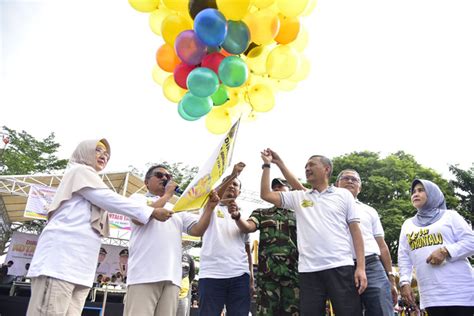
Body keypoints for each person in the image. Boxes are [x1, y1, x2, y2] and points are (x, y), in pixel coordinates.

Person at [26, 138, 171, 316]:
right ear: (84, 151)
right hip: (60, 262)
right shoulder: (80, 171)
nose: (104, 156)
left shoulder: (91, 178)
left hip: (81, 268)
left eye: (107, 154)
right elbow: (108, 199)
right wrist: (151, 212)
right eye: (98, 150)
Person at [259, 149, 367, 316]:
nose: (307, 168)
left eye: (312, 165)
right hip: (309, 271)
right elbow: (265, 194)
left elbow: (356, 232)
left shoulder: (344, 195)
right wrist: (268, 164)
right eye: (305, 166)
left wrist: (360, 267)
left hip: (340, 266)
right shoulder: (300, 197)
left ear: (326, 169)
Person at [124, 164, 220, 316]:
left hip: (171, 279)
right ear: (146, 182)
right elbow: (139, 218)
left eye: (168, 177)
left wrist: (210, 208)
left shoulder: (177, 208)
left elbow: (197, 230)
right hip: (143, 275)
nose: (165, 178)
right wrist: (168, 194)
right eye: (159, 175)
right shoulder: (137, 199)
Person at [398, 179, 474, 316]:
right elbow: (404, 256)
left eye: (421, 190)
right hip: (431, 295)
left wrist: (446, 251)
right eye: (413, 191)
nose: (415, 194)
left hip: (460, 293)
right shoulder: (407, 225)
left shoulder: (450, 216)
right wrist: (404, 282)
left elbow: (471, 242)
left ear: (433, 194)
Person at [230, 177, 299, 315]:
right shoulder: (261, 213)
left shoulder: (300, 214)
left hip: (293, 274)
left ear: (290, 191)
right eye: (274, 188)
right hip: (268, 276)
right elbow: (248, 227)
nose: (276, 190)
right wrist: (237, 217)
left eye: (281, 186)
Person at [335, 169, 397, 316]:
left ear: (360, 188)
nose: (350, 181)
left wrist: (391, 278)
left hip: (372, 266)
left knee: (382, 310)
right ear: (336, 184)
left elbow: (382, 245)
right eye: (346, 178)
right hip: (341, 267)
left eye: (354, 179)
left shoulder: (370, 211)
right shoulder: (325, 207)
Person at [198, 163, 255, 316]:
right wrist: (233, 175)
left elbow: (247, 250)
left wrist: (251, 278)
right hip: (211, 275)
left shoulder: (243, 216)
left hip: (239, 276)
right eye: (228, 183)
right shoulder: (210, 208)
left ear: (239, 192)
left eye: (235, 184)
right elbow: (212, 198)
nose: (231, 186)